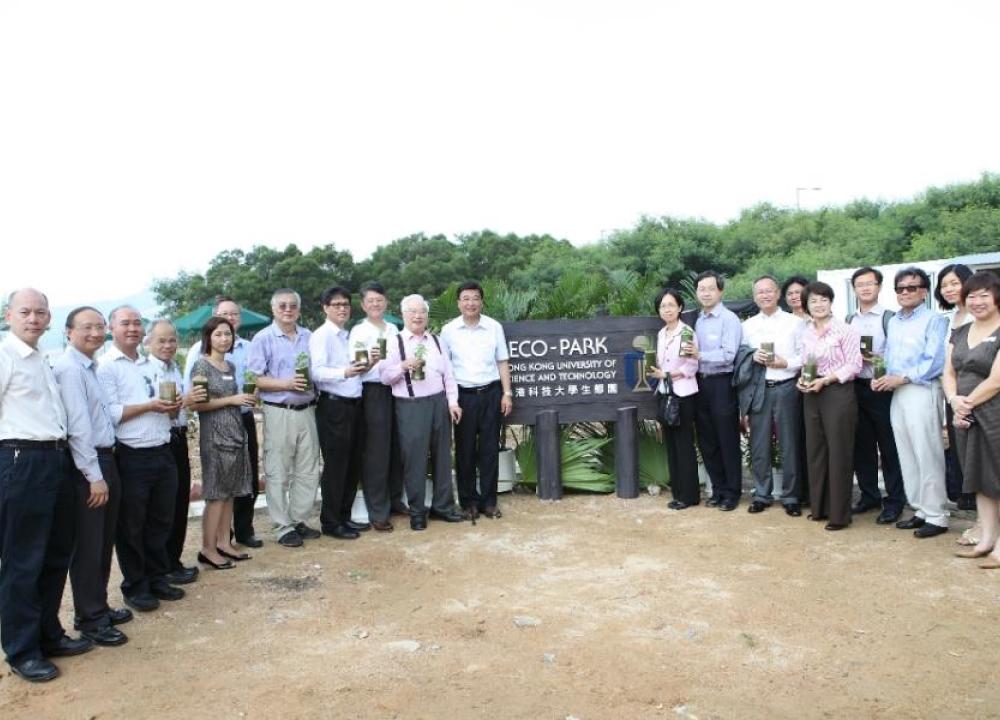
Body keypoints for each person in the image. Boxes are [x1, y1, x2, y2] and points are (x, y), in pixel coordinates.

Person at [1, 288, 90, 682]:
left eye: (40, 312)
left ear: (49, 317)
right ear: (8, 315)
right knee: (23, 560)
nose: (33, 319)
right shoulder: (5, 356)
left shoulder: (42, 358)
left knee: (56, 554)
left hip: (55, 458)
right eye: (25, 312)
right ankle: (22, 650)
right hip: (22, 459)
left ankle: (48, 634)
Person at [98, 307, 194, 612]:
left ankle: (157, 577)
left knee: (160, 521)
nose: (132, 328)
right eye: (125, 323)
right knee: (132, 526)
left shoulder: (148, 365)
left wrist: (173, 407)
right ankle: (135, 585)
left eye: (137, 323)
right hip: (131, 455)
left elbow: (167, 407)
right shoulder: (106, 366)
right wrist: (150, 406)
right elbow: (110, 413)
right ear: (111, 327)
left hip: (163, 450)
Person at [53, 307, 131, 648]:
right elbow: (78, 428)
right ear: (69, 331)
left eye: (100, 327)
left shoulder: (90, 366)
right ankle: (91, 619)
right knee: (88, 546)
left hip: (105, 458)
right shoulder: (70, 369)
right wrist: (93, 475)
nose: (96, 333)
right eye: (87, 327)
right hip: (90, 464)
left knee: (102, 541)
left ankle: (97, 606)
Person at [873, 267, 951, 538]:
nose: (905, 292)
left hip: (921, 388)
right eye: (900, 288)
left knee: (927, 452)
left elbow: (935, 360)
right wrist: (880, 376)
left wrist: (903, 377)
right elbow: (888, 354)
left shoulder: (934, 320)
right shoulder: (895, 320)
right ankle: (920, 509)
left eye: (912, 287)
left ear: (924, 292)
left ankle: (937, 514)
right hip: (897, 391)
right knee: (906, 452)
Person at [380, 294, 465, 530]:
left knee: (443, 457)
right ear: (404, 315)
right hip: (410, 405)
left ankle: (443, 507)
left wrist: (453, 402)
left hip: (439, 402)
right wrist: (402, 366)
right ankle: (417, 511)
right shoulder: (392, 341)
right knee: (414, 460)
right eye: (413, 312)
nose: (418, 316)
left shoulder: (437, 341)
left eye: (422, 312)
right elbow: (384, 376)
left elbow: (448, 375)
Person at [184, 297, 262, 548]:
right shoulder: (200, 363)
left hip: (237, 428)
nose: (224, 338)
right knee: (217, 492)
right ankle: (211, 547)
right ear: (209, 336)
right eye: (218, 334)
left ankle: (229, 542)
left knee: (234, 488)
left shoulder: (231, 363)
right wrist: (232, 399)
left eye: (227, 333)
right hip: (215, 432)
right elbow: (196, 402)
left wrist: (249, 395)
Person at [246, 288, 321, 547]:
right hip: (279, 410)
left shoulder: (310, 337)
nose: (288, 310)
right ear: (273, 309)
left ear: (299, 309)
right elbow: (253, 377)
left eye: (293, 305)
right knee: (278, 469)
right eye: (282, 306)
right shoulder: (263, 338)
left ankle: (298, 519)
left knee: (308, 468)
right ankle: (282, 526)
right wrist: (286, 383)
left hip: (308, 409)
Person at [441, 281, 513, 520]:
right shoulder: (449, 330)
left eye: (475, 298)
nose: (470, 303)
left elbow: (502, 361)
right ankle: (468, 502)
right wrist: (451, 401)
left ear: (482, 302)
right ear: (458, 303)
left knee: (490, 450)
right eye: (466, 298)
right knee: (465, 452)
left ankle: (489, 502)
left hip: (491, 394)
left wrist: (507, 393)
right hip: (463, 397)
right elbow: (445, 369)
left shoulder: (493, 327)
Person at [942, 271, 1000, 568]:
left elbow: (996, 380)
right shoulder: (961, 331)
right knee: (978, 476)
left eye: (984, 295)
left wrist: (965, 404)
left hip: (993, 412)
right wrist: (954, 401)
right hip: (965, 414)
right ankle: (987, 539)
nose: (977, 301)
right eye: (972, 296)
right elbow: (948, 372)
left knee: (997, 474)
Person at [798, 282, 862, 530]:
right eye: (813, 301)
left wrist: (826, 380)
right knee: (816, 451)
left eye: (823, 299)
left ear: (831, 302)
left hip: (837, 392)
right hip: (811, 392)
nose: (819, 304)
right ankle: (819, 508)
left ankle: (839, 514)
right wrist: (802, 380)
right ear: (806, 306)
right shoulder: (806, 332)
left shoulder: (845, 330)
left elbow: (854, 365)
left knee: (838, 452)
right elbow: (806, 363)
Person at [310, 286, 371, 539]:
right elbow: (316, 372)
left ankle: (345, 516)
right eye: (336, 305)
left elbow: (356, 370)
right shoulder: (322, 335)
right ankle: (331, 521)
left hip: (354, 405)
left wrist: (367, 365)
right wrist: (344, 372)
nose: (342, 309)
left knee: (352, 463)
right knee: (336, 465)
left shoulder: (348, 335)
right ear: (325, 308)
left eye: (346, 304)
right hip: (334, 406)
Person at [846, 266, 905, 524]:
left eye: (870, 283)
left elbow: (899, 354)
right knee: (862, 445)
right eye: (860, 284)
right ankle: (869, 495)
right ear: (854, 289)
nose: (865, 288)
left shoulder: (890, 318)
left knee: (888, 446)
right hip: (856, 386)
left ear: (879, 287)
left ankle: (894, 501)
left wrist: (879, 360)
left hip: (881, 387)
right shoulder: (849, 320)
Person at [741, 276, 803, 516]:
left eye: (769, 291)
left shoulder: (794, 323)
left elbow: (804, 356)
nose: (765, 295)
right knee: (759, 445)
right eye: (760, 292)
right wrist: (751, 356)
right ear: (754, 296)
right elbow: (740, 357)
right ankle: (761, 494)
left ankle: (791, 496)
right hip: (758, 388)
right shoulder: (747, 326)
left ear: (778, 294)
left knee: (790, 444)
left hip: (787, 386)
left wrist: (784, 362)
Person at [144, 319, 199, 586]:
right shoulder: (146, 371)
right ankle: (161, 566)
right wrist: (185, 401)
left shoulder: (174, 368)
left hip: (178, 438)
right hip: (160, 441)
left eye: (172, 340)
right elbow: (165, 408)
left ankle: (173, 561)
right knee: (162, 509)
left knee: (179, 502)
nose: (167, 345)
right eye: (161, 341)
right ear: (148, 343)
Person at [348, 281, 406, 529]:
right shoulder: (359, 331)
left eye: (379, 300)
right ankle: (378, 511)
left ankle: (395, 500)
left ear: (386, 302)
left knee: (396, 447)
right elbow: (358, 368)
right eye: (370, 301)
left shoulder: (393, 328)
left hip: (397, 388)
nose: (375, 304)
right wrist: (371, 361)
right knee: (377, 452)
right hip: (373, 391)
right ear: (363, 305)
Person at [691, 271, 743, 511]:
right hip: (700, 384)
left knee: (727, 439)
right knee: (708, 440)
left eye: (711, 288)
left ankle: (732, 492)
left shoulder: (729, 319)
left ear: (720, 291)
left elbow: (729, 355)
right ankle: (718, 490)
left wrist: (699, 355)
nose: (706, 293)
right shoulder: (698, 320)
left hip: (722, 383)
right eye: (701, 289)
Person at [647, 288, 700, 509]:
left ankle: (689, 496)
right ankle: (678, 493)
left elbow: (692, 366)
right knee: (671, 445)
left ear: (680, 307)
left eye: (671, 305)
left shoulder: (686, 332)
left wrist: (667, 374)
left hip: (683, 395)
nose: (667, 309)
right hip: (665, 393)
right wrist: (659, 373)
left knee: (684, 445)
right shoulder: (662, 333)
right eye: (662, 306)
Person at [935, 263, 976, 510]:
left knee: (980, 450)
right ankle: (968, 498)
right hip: (952, 393)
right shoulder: (949, 319)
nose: (949, 289)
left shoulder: (980, 316)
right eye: (944, 285)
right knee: (960, 447)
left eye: (954, 283)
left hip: (976, 391)